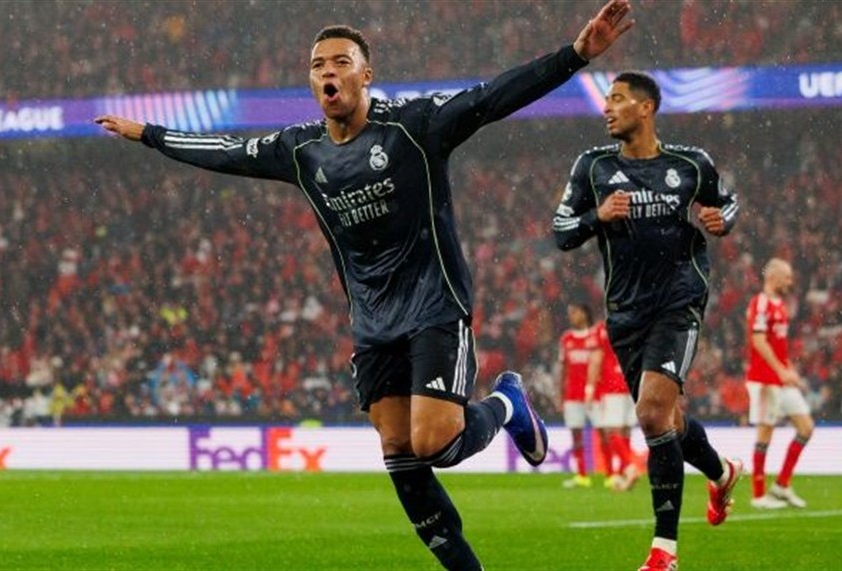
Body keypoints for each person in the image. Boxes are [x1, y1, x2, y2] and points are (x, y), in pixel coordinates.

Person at [96, 3, 633, 569]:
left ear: (365, 74)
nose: (328, 72)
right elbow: (228, 152)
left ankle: (506, 403)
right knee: (398, 449)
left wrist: (576, 55)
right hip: (373, 322)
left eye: (340, 62)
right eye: (317, 65)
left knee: (434, 443)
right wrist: (151, 135)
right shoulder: (301, 150)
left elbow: (493, 97)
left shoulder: (415, 125)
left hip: (433, 305)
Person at [552, 70, 742, 571]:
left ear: (646, 108)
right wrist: (597, 217)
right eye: (606, 100)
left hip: (679, 302)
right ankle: (722, 473)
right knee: (668, 421)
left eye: (617, 99)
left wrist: (723, 220)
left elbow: (726, 203)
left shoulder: (690, 164)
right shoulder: (593, 167)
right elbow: (561, 231)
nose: (606, 108)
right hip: (625, 313)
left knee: (653, 414)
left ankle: (664, 551)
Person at [745, 258, 814, 509]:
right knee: (765, 432)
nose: (790, 282)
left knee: (806, 427)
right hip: (764, 379)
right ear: (773, 277)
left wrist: (790, 371)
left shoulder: (780, 305)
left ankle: (782, 485)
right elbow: (758, 341)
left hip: (781, 378)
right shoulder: (760, 303)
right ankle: (758, 496)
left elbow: (778, 346)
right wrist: (781, 371)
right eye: (787, 277)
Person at [588, 316, 639, 491]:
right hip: (632, 383)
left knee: (611, 430)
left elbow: (596, 359)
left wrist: (589, 388)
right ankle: (623, 474)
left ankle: (629, 467)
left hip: (612, 386)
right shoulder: (635, 323)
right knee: (625, 430)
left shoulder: (602, 329)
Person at [558, 302, 596, 489]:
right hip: (572, 394)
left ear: (584, 313)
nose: (571, 316)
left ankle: (614, 473)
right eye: (570, 312)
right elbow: (563, 369)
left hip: (595, 394)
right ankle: (582, 474)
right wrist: (560, 394)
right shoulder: (566, 338)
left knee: (606, 432)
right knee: (576, 435)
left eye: (574, 312)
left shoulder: (595, 337)